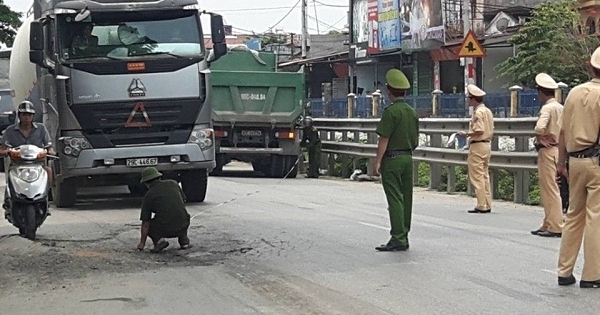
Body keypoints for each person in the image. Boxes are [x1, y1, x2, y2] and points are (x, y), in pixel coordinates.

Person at [556, 46, 600, 288]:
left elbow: (562, 131)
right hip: (597, 161)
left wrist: (561, 163)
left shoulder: (573, 93)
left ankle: (564, 271)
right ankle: (592, 275)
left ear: (589, 65)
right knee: (596, 217)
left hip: (575, 161)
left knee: (574, 215)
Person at [374, 69, 419, 252]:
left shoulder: (390, 112)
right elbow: (415, 138)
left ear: (388, 89)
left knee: (394, 199)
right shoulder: (411, 112)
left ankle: (398, 237)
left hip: (392, 159)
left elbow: (383, 139)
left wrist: (377, 161)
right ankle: (404, 235)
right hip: (408, 158)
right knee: (406, 198)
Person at [0, 101, 55, 211]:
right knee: (10, 176)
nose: (26, 118)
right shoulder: (10, 131)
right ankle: (8, 200)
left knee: (48, 170)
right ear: (19, 115)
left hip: (37, 164)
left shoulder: (41, 129)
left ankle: (45, 199)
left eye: (29, 115)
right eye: (24, 114)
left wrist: (50, 151)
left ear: (33, 116)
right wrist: (6, 152)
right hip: (17, 165)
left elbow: (49, 147)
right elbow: (2, 148)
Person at [531, 73, 564, 237]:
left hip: (548, 150)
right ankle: (547, 223)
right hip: (559, 149)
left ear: (541, 92)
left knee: (549, 189)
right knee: (552, 188)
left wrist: (540, 139)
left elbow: (539, 127)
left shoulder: (547, 108)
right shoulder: (560, 107)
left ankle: (556, 225)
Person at [137, 167, 192, 253]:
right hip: (184, 224)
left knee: (150, 225)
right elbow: (183, 201)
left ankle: (159, 241)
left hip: (166, 229)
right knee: (181, 216)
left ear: (146, 184)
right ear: (159, 177)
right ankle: (184, 241)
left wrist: (142, 243)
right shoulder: (173, 183)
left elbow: (145, 223)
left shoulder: (149, 195)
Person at [458, 84, 494, 213]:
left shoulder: (478, 112)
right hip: (487, 145)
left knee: (477, 176)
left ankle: (481, 205)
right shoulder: (487, 111)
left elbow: (479, 130)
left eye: (469, 98)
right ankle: (487, 203)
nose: (468, 101)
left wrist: (466, 134)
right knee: (484, 175)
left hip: (477, 145)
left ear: (473, 99)